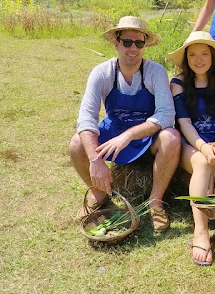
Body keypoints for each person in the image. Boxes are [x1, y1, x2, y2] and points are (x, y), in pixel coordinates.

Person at [69, 16, 181, 231]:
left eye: (139, 43)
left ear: (145, 45)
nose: (133, 48)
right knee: (76, 144)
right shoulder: (102, 73)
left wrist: (129, 135)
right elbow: (86, 117)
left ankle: (155, 202)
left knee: (172, 137)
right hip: (113, 130)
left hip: (145, 136)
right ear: (116, 43)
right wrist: (95, 159)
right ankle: (98, 192)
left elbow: (166, 115)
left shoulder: (155, 71)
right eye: (127, 42)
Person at [167, 31, 215, 267]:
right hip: (191, 143)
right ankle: (200, 231)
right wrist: (201, 146)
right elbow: (184, 122)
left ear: (213, 56)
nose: (199, 59)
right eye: (193, 55)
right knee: (201, 162)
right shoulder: (177, 84)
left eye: (204, 54)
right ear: (186, 58)